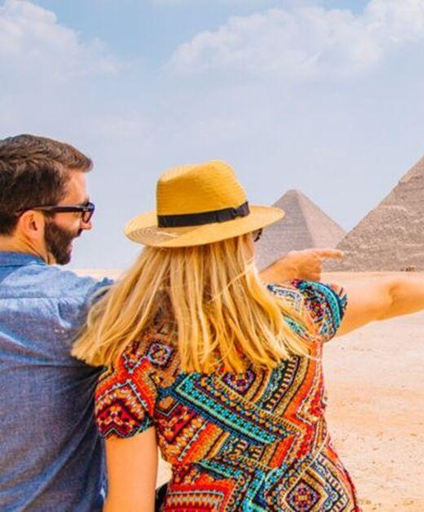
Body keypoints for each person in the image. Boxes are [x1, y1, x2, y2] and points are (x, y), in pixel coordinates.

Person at [72, 160, 424, 512]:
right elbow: (388, 294)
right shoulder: (299, 312)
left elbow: (129, 504)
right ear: (242, 241)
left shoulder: (134, 361)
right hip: (320, 500)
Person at [0, 134, 341, 511]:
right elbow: (201, 307)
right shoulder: (80, 309)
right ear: (32, 223)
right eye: (82, 210)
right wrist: (276, 275)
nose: (88, 224)